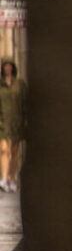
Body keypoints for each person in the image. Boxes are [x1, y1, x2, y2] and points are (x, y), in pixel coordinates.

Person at [0, 57, 27, 192]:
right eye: (5, 66)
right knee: (4, 150)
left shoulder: (19, 85)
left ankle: (12, 178)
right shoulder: (0, 85)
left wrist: (25, 119)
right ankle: (4, 178)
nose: (7, 68)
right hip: (3, 121)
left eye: (9, 65)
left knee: (15, 151)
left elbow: (25, 102)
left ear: (13, 67)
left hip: (17, 121)